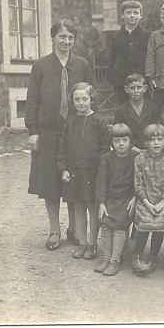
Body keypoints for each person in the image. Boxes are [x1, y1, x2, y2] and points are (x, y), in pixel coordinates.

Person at [26, 19, 92, 251]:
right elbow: (32, 100)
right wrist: (33, 131)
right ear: (53, 38)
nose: (66, 41)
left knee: (75, 178)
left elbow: (89, 96)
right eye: (62, 37)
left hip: (76, 131)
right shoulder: (41, 66)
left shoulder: (82, 64)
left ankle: (74, 227)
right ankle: (55, 230)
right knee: (50, 181)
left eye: (70, 38)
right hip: (49, 132)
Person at [57, 83, 111, 260]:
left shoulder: (99, 121)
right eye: (77, 99)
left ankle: (93, 244)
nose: (81, 103)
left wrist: (102, 172)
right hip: (74, 172)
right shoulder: (70, 122)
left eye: (85, 99)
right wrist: (63, 168)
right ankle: (82, 242)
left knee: (92, 208)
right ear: (72, 101)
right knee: (78, 206)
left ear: (91, 99)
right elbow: (62, 147)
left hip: (93, 172)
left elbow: (105, 149)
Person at [132, 124, 164, 276]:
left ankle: (152, 257)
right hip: (145, 200)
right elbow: (138, 185)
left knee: (158, 223)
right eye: (152, 140)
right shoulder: (139, 159)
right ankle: (137, 256)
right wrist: (147, 202)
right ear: (145, 142)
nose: (156, 143)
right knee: (144, 222)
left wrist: (162, 202)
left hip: (163, 201)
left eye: (160, 139)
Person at [94, 123, 138, 276]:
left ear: (129, 141)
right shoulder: (106, 158)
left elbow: (138, 180)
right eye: (117, 141)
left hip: (126, 200)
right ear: (111, 143)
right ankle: (106, 258)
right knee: (105, 224)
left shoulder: (135, 157)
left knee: (119, 226)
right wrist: (101, 203)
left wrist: (134, 197)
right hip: (110, 200)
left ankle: (115, 260)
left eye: (125, 140)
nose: (121, 144)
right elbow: (101, 182)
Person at [109, 0, 150, 104]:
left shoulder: (148, 36)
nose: (132, 16)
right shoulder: (115, 37)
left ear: (141, 15)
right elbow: (111, 61)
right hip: (122, 83)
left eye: (136, 13)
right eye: (128, 13)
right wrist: (114, 81)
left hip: (143, 81)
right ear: (122, 15)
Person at [114, 73, 161, 153]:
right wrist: (132, 148)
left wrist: (150, 146)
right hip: (130, 150)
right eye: (132, 88)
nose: (136, 91)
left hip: (151, 149)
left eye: (139, 87)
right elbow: (119, 133)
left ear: (145, 88)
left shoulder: (154, 108)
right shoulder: (121, 110)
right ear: (126, 89)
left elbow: (159, 131)